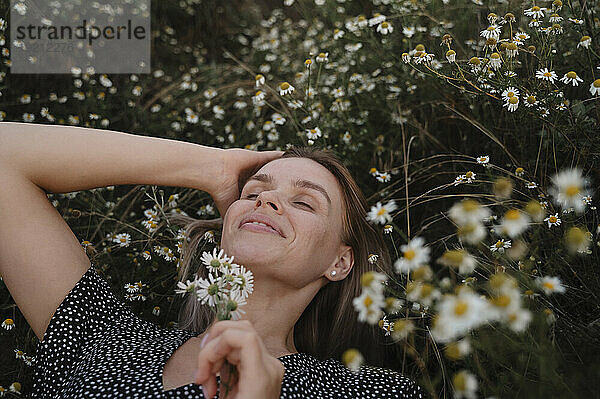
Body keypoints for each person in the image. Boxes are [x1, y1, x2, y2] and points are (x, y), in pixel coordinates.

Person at [0, 122, 425, 398]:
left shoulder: (370, 391)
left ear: (340, 261)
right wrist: (213, 167)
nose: (268, 199)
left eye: (304, 203)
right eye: (253, 192)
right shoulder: (104, 337)